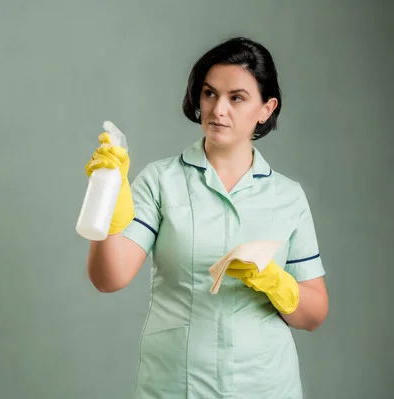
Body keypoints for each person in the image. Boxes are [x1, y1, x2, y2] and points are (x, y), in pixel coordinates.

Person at [84, 37, 329, 398]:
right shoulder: (160, 181)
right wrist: (108, 207)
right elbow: (109, 278)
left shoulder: (288, 196)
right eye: (210, 93)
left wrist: (279, 283)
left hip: (264, 385)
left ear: (266, 108)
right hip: (175, 383)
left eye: (237, 97)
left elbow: (313, 315)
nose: (218, 109)